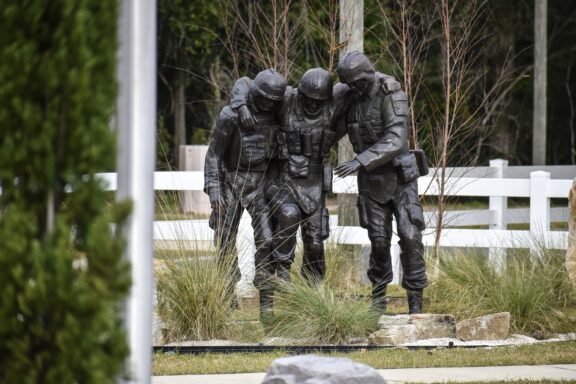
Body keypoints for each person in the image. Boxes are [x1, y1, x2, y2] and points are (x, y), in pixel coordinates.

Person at [334, 51, 428, 314]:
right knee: (378, 241)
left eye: (359, 83)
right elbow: (327, 125)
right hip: (372, 183)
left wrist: (359, 161)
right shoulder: (350, 97)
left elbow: (396, 139)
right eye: (350, 85)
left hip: (400, 179)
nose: (355, 89)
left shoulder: (391, 93)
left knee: (410, 237)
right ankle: (378, 299)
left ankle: (415, 304)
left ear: (369, 74)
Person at [204, 69, 287, 317]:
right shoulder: (231, 116)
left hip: (260, 184)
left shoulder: (277, 116)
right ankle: (226, 298)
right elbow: (214, 155)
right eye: (265, 99)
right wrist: (215, 189)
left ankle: (267, 304)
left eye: (274, 101)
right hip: (231, 182)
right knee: (224, 241)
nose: (269, 105)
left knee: (268, 239)